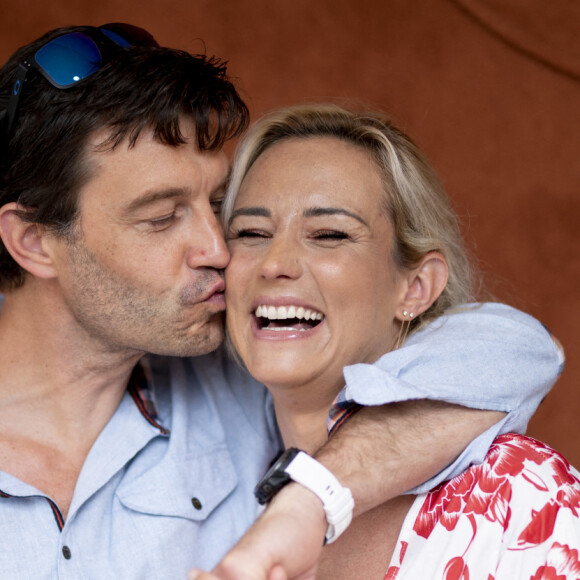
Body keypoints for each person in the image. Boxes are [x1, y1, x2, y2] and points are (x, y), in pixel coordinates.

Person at [0, 24, 562, 579]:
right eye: (162, 216)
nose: (219, 249)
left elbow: (513, 350)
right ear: (33, 242)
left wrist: (308, 499)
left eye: (219, 206)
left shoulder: (246, 378)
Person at [193, 103, 578, 579]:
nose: (276, 262)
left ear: (415, 288)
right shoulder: (211, 506)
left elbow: (530, 347)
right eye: (251, 232)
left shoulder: (518, 495)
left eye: (329, 235)